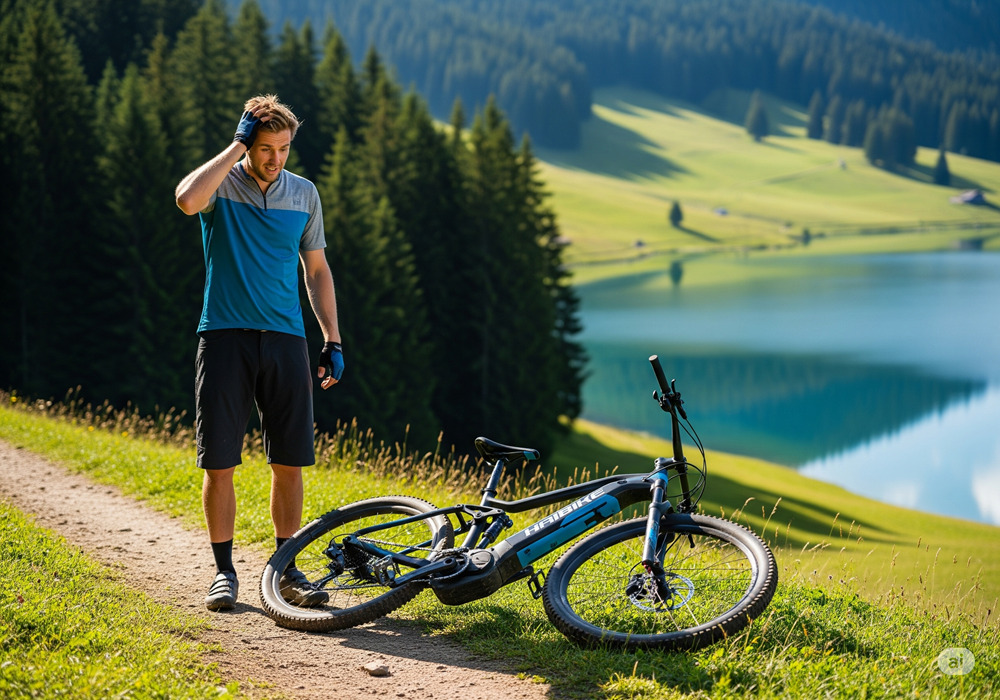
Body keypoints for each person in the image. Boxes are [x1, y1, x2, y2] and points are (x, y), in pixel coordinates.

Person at [175, 95, 344, 611]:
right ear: (250, 142)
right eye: (266, 148)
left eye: (284, 148)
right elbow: (185, 199)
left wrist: (332, 338)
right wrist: (235, 146)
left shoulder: (304, 194)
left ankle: (285, 568)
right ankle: (224, 572)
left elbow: (315, 270)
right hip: (224, 335)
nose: (275, 159)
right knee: (220, 462)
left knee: (289, 461)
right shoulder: (221, 184)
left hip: (286, 340)